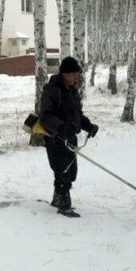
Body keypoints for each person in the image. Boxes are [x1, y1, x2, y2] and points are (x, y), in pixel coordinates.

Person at [39, 56, 99, 218]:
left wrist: (88, 126)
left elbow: (77, 115)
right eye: (75, 74)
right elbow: (45, 116)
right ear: (66, 74)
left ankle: (57, 196)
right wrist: (61, 127)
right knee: (62, 170)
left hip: (70, 137)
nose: (77, 77)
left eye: (78, 74)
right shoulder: (52, 90)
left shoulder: (72, 92)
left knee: (72, 172)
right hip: (55, 138)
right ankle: (64, 204)